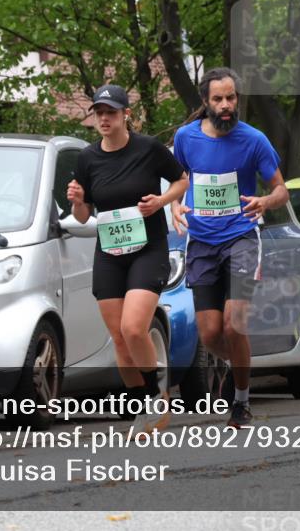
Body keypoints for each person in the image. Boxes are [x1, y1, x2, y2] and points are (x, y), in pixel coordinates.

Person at [171, 67, 289, 429]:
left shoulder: (253, 140)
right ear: (205, 102)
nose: (226, 105)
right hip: (202, 241)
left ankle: (240, 400)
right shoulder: (186, 138)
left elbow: (281, 189)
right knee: (208, 334)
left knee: (234, 325)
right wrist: (175, 206)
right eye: (218, 99)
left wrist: (265, 203)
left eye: (231, 98)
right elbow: (178, 181)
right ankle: (237, 365)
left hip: (240, 237)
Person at [67, 85, 188, 432]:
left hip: (148, 249)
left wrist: (161, 203)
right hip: (109, 253)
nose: (104, 119)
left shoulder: (148, 149)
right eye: (99, 113)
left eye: (111, 112)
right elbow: (82, 216)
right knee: (118, 338)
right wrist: (77, 200)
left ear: (125, 115)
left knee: (133, 328)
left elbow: (182, 181)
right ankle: (144, 406)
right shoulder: (87, 158)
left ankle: (154, 397)